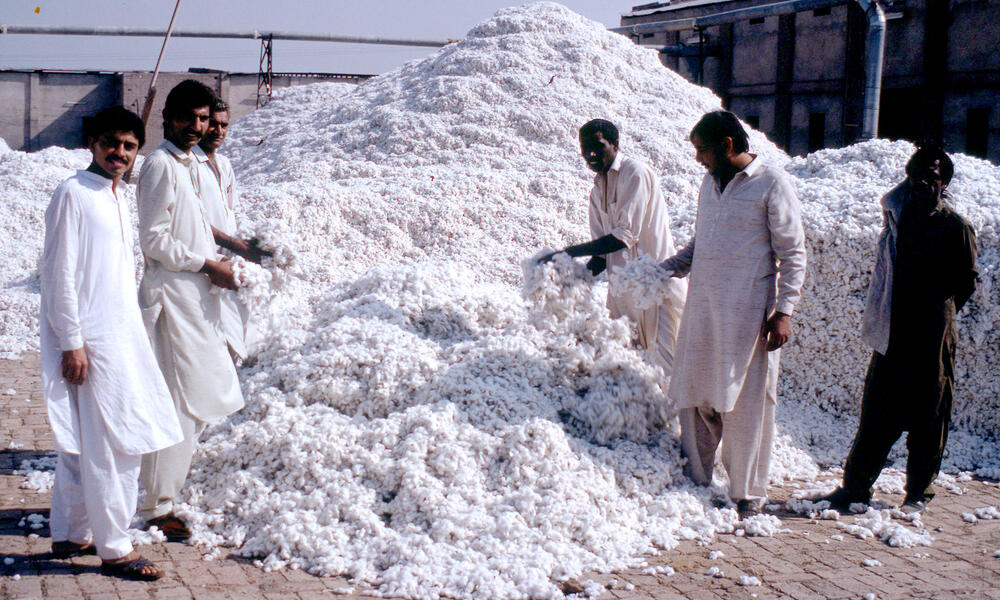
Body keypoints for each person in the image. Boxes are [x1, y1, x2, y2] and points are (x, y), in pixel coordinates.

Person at [40, 106, 182, 580]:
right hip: (92, 339)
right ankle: (116, 549)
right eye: (110, 143)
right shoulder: (73, 194)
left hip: (121, 332)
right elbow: (58, 274)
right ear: (92, 144)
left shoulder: (118, 196)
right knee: (114, 445)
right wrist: (72, 342)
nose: (119, 153)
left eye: (129, 145)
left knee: (86, 442)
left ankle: (70, 533)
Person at [661, 111, 807, 518]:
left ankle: (747, 495)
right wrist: (667, 267)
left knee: (745, 404)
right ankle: (695, 480)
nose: (698, 160)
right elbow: (703, 240)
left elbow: (793, 252)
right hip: (703, 310)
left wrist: (784, 312)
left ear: (727, 145)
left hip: (747, 315)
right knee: (695, 393)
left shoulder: (770, 183)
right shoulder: (710, 184)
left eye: (702, 151)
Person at [819, 146, 977, 514]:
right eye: (916, 174)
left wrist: (937, 313)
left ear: (945, 183)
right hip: (894, 331)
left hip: (933, 335)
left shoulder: (956, 226)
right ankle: (855, 488)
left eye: (932, 176)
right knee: (877, 411)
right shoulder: (898, 217)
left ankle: (918, 493)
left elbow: (965, 283)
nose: (922, 182)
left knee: (930, 413)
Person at [136, 80, 248, 540]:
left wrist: (220, 264)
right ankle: (155, 506)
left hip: (198, 296)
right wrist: (206, 265)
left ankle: (163, 495)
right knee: (180, 403)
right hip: (175, 298)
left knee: (198, 400)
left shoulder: (187, 167)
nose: (197, 127)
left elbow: (198, 228)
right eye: (189, 118)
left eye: (204, 120)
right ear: (168, 117)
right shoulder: (161, 164)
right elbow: (155, 240)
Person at [540, 119, 687, 374]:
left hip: (656, 286)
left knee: (667, 366)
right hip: (624, 294)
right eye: (585, 149)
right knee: (634, 366)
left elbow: (622, 237)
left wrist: (567, 252)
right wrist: (570, 280)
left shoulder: (635, 173)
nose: (591, 155)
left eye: (598, 147)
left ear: (615, 145)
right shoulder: (597, 190)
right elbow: (601, 256)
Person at [194, 99, 254, 359]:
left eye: (224, 125)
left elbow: (229, 214)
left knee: (235, 320)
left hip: (230, 259)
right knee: (211, 329)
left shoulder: (226, 165)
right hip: (204, 259)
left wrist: (245, 246)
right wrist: (237, 246)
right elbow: (194, 221)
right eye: (213, 124)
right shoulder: (189, 166)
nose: (218, 131)